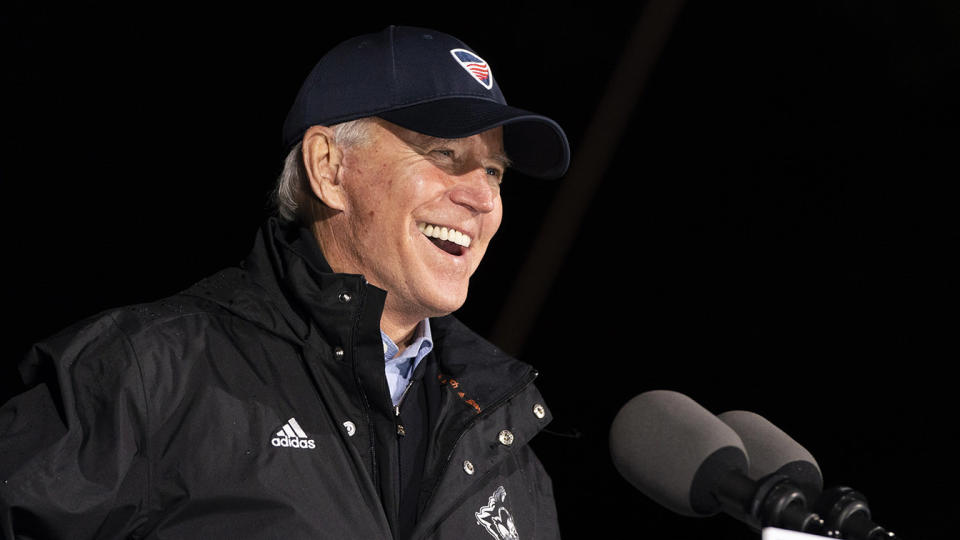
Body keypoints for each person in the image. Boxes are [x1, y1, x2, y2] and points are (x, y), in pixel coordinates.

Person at [0, 25, 570, 540]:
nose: (483, 198)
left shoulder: (507, 456)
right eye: (444, 153)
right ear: (328, 166)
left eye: (494, 171)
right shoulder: (151, 373)